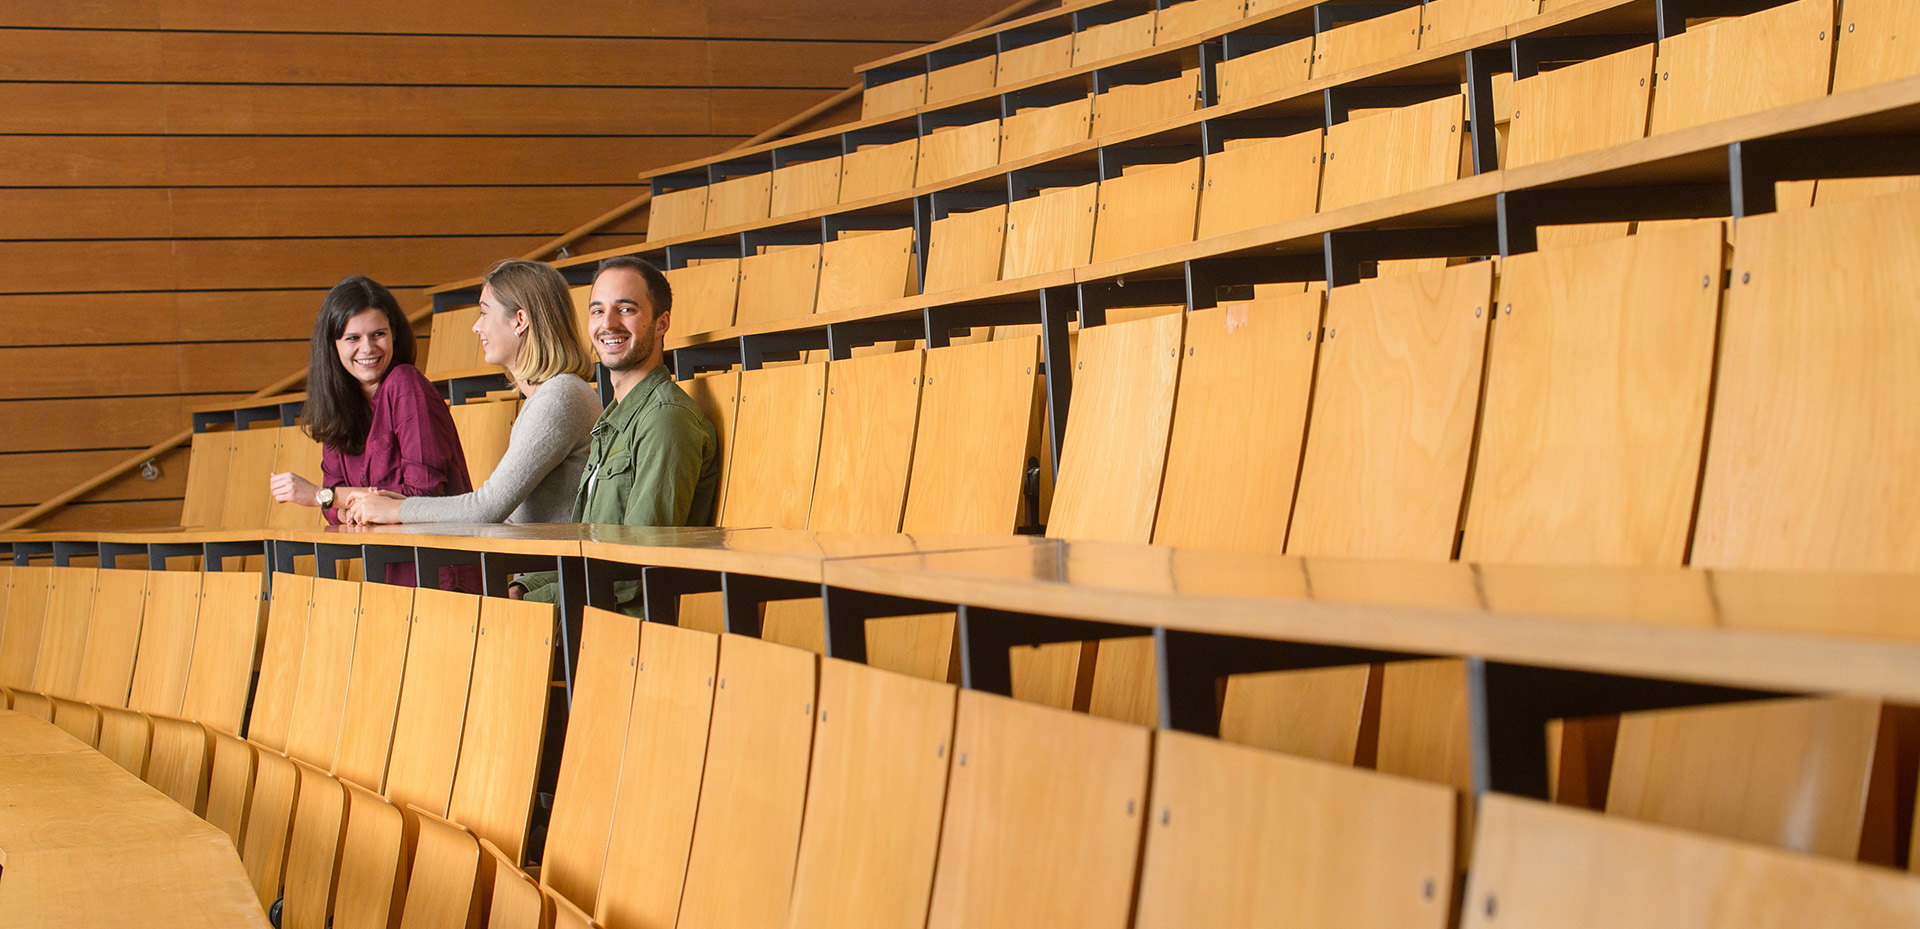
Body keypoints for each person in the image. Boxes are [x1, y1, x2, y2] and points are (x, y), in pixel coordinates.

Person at [512, 255, 719, 610]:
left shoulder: (665, 419)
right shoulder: (614, 419)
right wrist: (524, 586)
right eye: (597, 311)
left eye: (626, 309)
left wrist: (536, 598)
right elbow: (587, 549)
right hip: (587, 611)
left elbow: (635, 564)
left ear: (661, 323)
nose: (608, 324)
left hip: (624, 628)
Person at [341, 259, 601, 527]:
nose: (477, 326)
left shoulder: (559, 397)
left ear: (520, 320)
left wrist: (397, 510)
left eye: (484, 312)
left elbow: (486, 508)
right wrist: (396, 505)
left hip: (555, 569)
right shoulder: (549, 396)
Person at [268, 275, 478, 591]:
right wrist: (347, 505)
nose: (368, 348)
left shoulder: (406, 384)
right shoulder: (340, 405)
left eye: (378, 334)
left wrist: (319, 495)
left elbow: (423, 499)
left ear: (394, 335)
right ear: (333, 345)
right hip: (387, 574)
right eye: (352, 338)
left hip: (440, 571)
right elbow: (335, 515)